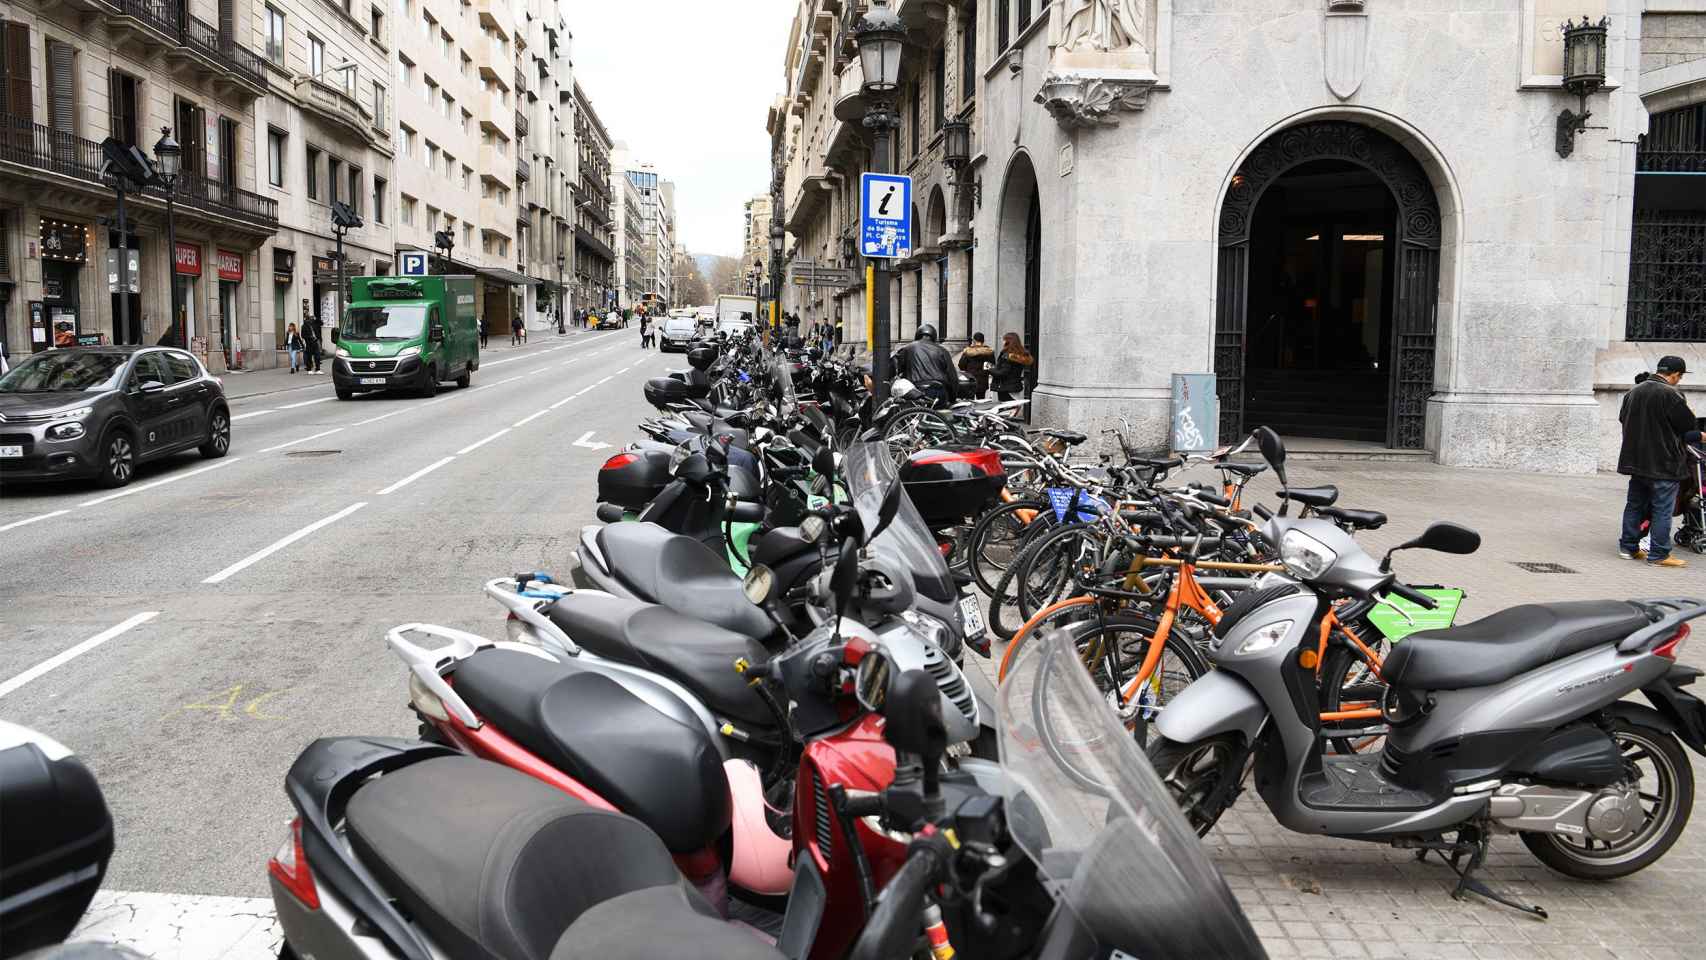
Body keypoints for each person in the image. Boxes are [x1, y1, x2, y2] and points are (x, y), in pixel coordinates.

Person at [1618, 355, 1703, 568]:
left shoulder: (1633, 392)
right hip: (1664, 463)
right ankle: (1659, 555)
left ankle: (1628, 548)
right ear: (1675, 374)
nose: (1679, 381)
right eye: (1679, 377)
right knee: (1662, 509)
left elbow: (1623, 419)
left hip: (1636, 461)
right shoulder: (1671, 395)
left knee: (1634, 505)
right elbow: (1688, 430)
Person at [892, 324, 959, 405]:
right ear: (933, 336)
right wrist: (953, 398)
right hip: (938, 391)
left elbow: (895, 367)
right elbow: (952, 377)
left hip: (915, 391)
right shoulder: (942, 350)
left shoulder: (907, 348)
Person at [990, 332, 1035, 402]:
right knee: (1013, 409)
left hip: (1005, 388)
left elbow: (1002, 373)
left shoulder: (1006, 355)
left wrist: (990, 369)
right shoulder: (1020, 354)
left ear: (1008, 341)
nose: (1002, 341)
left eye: (1004, 339)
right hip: (1015, 387)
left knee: (1006, 411)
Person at [958, 332, 995, 400]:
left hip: (970, 379)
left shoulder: (968, 351)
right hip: (983, 379)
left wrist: (968, 370)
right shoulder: (989, 352)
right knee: (981, 400)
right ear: (983, 341)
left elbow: (961, 365)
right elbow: (991, 365)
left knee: (969, 400)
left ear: (974, 340)